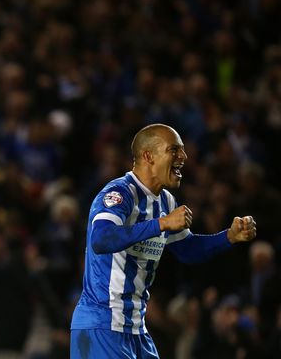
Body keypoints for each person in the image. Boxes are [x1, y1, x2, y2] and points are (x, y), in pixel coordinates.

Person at [70, 123, 257, 358]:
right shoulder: (119, 194)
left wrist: (228, 236)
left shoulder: (166, 201)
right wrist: (161, 224)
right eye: (174, 150)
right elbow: (101, 239)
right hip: (102, 325)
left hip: (136, 327)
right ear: (149, 156)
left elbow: (188, 250)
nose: (184, 156)